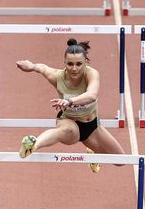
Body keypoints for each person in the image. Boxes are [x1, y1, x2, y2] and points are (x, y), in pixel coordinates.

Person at [15, 38, 126, 172]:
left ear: (85, 62)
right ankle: (33, 145)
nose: (74, 69)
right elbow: (42, 68)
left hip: (92, 126)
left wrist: (69, 101)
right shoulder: (58, 77)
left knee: (121, 161)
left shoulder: (91, 74)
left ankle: (93, 152)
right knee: (68, 131)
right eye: (70, 64)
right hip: (68, 121)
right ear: (64, 63)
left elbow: (92, 95)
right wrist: (32, 66)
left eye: (79, 64)